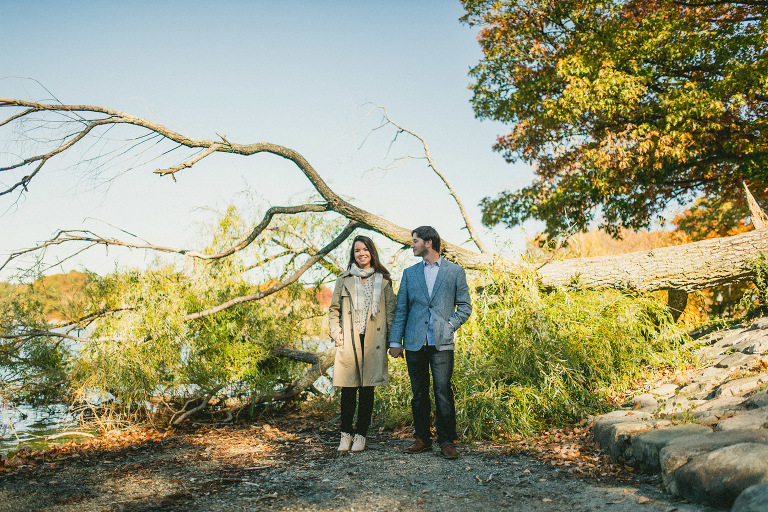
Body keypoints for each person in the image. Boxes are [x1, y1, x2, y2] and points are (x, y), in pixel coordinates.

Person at [388, 226, 472, 459]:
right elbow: (402, 309)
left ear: (429, 243)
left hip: (442, 343)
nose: (412, 245)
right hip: (414, 342)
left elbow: (465, 306)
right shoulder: (409, 273)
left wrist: (450, 325)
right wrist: (395, 340)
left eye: (415, 241)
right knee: (418, 393)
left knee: (443, 391)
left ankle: (447, 441)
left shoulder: (455, 272)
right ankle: (422, 439)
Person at [329, 235, 396, 452]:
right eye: (357, 250)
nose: (361, 254)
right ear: (353, 254)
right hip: (349, 339)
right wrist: (335, 332)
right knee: (348, 389)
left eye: (365, 249)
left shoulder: (383, 280)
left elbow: (391, 314)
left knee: (367, 390)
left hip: (373, 342)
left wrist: (392, 342)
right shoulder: (344, 278)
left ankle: (361, 435)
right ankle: (345, 434)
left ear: (371, 252)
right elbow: (334, 310)